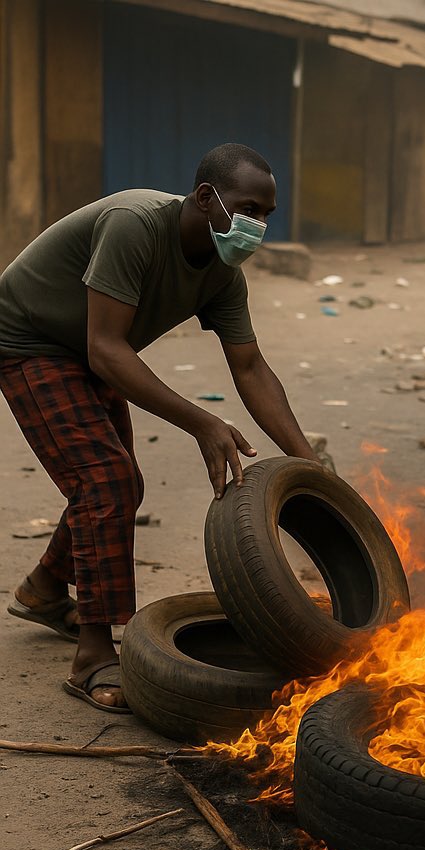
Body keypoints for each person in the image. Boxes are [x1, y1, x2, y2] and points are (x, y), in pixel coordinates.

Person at [0, 143, 317, 714]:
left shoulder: (223, 272)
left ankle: (44, 590)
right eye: (248, 208)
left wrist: (309, 466)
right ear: (204, 197)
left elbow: (248, 367)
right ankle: (92, 657)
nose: (258, 226)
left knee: (119, 485)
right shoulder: (135, 225)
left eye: (267, 214)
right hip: (30, 340)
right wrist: (202, 422)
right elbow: (106, 348)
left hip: (91, 349)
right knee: (106, 480)